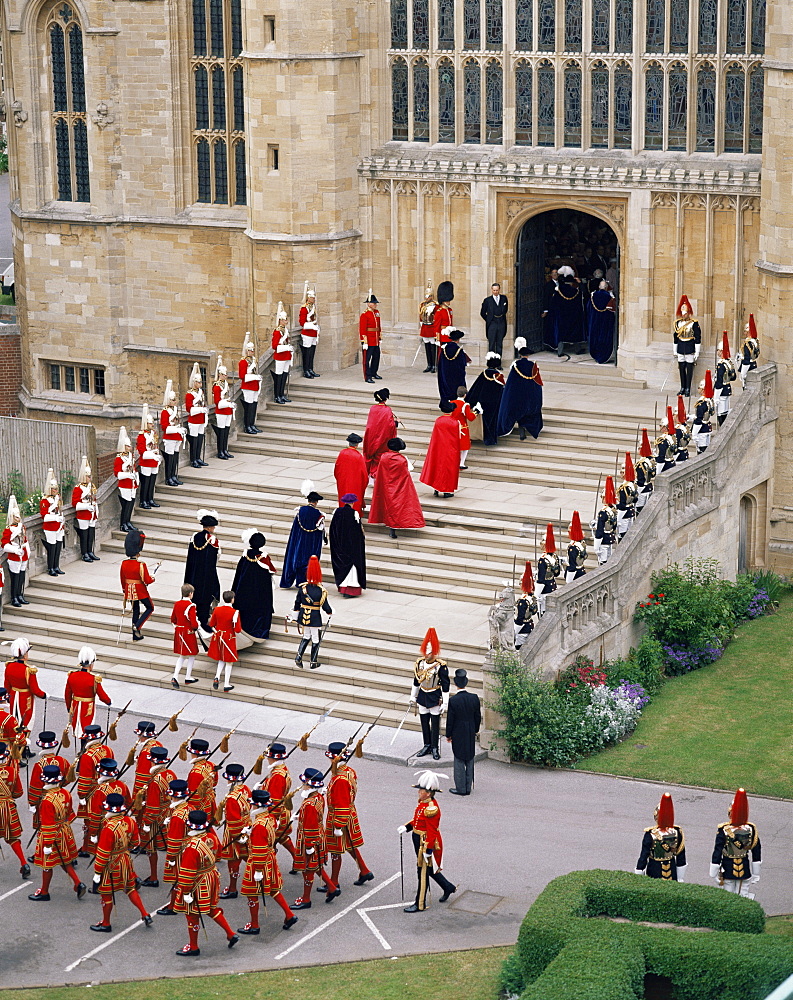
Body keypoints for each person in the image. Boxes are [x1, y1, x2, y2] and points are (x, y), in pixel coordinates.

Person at [174, 809, 239, 956]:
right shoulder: (212, 838)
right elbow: (219, 855)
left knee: (191, 914)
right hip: (211, 876)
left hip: (197, 881)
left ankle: (193, 946)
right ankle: (230, 933)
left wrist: (185, 891)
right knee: (210, 908)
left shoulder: (191, 847)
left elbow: (187, 873)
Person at [237, 788, 298, 934]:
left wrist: (258, 870)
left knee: (252, 893)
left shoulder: (259, 825)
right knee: (272, 889)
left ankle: (254, 924)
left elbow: (259, 849)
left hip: (260, 861)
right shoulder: (268, 818)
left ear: (257, 806)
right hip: (269, 858)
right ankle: (289, 914)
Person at [90, 792, 153, 932]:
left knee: (106, 893)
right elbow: (136, 843)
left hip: (111, 863)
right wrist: (124, 850)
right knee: (130, 888)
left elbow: (103, 853)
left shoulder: (108, 828)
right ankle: (145, 914)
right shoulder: (130, 821)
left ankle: (106, 923)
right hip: (125, 859)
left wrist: (97, 871)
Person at [398, 770, 456, 912]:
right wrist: (407, 827)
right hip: (418, 838)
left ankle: (420, 903)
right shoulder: (423, 804)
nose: (419, 792)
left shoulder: (432, 808)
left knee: (422, 872)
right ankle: (448, 887)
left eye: (421, 790)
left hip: (425, 842)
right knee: (429, 869)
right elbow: (418, 820)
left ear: (428, 793)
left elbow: (432, 830)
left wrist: (428, 850)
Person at [28, 763, 86, 901]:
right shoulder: (65, 793)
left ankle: (44, 892)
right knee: (64, 859)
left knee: (46, 864)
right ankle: (78, 883)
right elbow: (70, 814)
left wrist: (47, 843)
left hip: (51, 833)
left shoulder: (47, 800)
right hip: (64, 830)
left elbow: (48, 825)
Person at [324, 742, 374, 890]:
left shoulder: (340, 779)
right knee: (350, 845)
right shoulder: (348, 771)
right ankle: (364, 870)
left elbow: (341, 802)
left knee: (336, 849)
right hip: (348, 813)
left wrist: (338, 825)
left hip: (339, 816)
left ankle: (334, 882)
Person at [291, 767, 339, 909]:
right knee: (315, 866)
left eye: (304, 783)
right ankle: (332, 887)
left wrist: (309, 846)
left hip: (310, 839)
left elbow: (310, 825)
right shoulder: (317, 797)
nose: (302, 785)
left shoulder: (309, 804)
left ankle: (306, 899)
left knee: (308, 869)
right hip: (318, 836)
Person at [368, 438, 425, 539]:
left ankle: (391, 527)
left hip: (386, 485)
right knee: (398, 506)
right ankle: (395, 526)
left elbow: (381, 470)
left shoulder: (384, 457)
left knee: (388, 506)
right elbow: (404, 475)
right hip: (398, 486)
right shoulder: (401, 460)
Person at [710, 788, 761, 896]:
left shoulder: (723, 829)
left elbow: (718, 851)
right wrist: (756, 873)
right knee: (743, 894)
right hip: (744, 866)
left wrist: (714, 871)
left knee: (728, 894)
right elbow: (756, 852)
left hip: (728, 866)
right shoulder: (751, 829)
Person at [410, 627, 450, 762]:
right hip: (423, 695)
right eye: (426, 652)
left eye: (430, 652)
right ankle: (426, 744)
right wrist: (412, 696)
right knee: (424, 722)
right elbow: (416, 681)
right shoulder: (419, 663)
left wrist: (445, 702)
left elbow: (445, 685)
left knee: (435, 723)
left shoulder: (441, 666)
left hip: (434, 695)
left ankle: (434, 747)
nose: (427, 655)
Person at [258, 742, 298, 871]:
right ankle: (297, 859)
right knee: (282, 838)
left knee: (270, 843)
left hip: (276, 812)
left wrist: (270, 819)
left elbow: (274, 800)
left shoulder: (278, 776)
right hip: (283, 810)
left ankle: (270, 871)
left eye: (268, 757)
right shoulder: (280, 770)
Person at [288, 555, 332, 669]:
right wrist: (330, 612)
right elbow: (325, 605)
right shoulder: (320, 590)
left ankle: (299, 656)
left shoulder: (303, 589)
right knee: (316, 638)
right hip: (314, 617)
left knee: (306, 636)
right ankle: (313, 661)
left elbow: (297, 604)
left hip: (304, 616)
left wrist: (295, 616)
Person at [232, 530, 277, 640]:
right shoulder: (264, 558)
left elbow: (238, 575)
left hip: (244, 590)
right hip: (259, 593)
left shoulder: (244, 556)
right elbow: (268, 576)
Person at [75, 723, 112, 856]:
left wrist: (81, 795)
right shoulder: (108, 749)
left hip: (92, 792)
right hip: (107, 788)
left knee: (90, 821)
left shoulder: (87, 756)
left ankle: (90, 847)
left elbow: (84, 780)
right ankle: (87, 846)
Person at [280, 482, 325, 589]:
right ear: (316, 502)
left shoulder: (300, 512)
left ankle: (294, 581)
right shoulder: (319, 515)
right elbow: (320, 532)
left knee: (297, 559)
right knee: (308, 561)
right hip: (310, 543)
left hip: (299, 541)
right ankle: (306, 580)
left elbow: (295, 529)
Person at [157, 778, 192, 915]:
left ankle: (173, 906)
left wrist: (171, 856)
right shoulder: (189, 807)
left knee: (177, 878)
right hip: (190, 845)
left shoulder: (177, 815)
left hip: (180, 850)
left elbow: (174, 839)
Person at [83, 757, 131, 857]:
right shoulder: (122, 785)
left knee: (104, 852)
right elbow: (129, 804)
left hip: (106, 823)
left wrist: (93, 833)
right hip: (121, 821)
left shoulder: (100, 790)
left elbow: (96, 814)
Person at [497, 340, 543, 441]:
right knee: (527, 411)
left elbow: (511, 383)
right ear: (528, 355)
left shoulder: (516, 365)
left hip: (518, 394)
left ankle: (522, 432)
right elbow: (538, 383)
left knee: (519, 410)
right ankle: (526, 430)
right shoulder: (533, 366)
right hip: (529, 394)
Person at [217, 762, 251, 900]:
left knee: (234, 860)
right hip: (247, 826)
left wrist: (237, 835)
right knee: (247, 857)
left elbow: (233, 820)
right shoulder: (245, 789)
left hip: (235, 832)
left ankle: (232, 888)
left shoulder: (232, 798)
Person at [635, 793, 687, 881]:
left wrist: (639, 871)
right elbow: (681, 857)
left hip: (654, 869)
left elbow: (643, 856)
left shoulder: (650, 834)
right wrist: (680, 878)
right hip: (672, 870)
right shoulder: (677, 832)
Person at [445, 670, 481, 797]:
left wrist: (448, 734)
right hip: (470, 730)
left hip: (458, 731)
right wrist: (475, 729)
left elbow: (450, 720)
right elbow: (478, 717)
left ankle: (460, 788)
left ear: (456, 685)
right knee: (470, 758)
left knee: (459, 759)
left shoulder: (454, 700)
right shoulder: (474, 698)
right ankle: (468, 786)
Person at [184, 509, 220, 631]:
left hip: (193, 571)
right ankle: (203, 621)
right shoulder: (212, 539)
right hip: (206, 573)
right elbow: (216, 557)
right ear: (209, 527)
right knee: (205, 596)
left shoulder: (194, 537)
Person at [120, 528, 158, 641]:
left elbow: (122, 579)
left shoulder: (124, 563)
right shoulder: (141, 564)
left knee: (135, 610)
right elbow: (147, 580)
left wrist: (124, 590)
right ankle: (137, 626)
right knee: (150, 607)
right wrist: (153, 578)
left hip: (129, 590)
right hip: (140, 590)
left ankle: (135, 635)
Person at [64, 645, 110, 735]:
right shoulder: (93, 678)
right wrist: (108, 702)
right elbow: (102, 695)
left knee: (77, 728)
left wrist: (69, 707)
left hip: (75, 705)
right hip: (88, 707)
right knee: (88, 729)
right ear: (91, 664)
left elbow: (67, 694)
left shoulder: (72, 675)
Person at [4, 637, 45, 736]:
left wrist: (9, 696)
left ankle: (16, 741)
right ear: (24, 655)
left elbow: (7, 685)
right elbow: (35, 689)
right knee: (27, 719)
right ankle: (24, 745)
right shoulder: (29, 670)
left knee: (15, 718)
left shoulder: (9, 666)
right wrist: (44, 695)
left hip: (13, 696)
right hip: (26, 697)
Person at [0, 739, 29, 879]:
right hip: (8, 806)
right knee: (12, 837)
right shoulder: (12, 771)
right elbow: (19, 793)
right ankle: (24, 863)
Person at [420, 401, 461, 498]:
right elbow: (457, 438)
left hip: (438, 448)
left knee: (438, 467)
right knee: (448, 469)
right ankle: (446, 490)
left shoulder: (438, 420)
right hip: (450, 450)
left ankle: (436, 488)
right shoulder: (454, 422)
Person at [329, 496, 366, 598]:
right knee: (352, 571)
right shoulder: (354, 514)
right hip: (351, 548)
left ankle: (342, 588)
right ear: (353, 503)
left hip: (339, 546)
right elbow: (356, 533)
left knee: (343, 568)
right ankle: (351, 590)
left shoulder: (337, 512)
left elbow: (333, 529)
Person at [465, 355, 505, 447]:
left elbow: (476, 388)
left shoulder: (483, 374)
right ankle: (490, 439)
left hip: (482, 401)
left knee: (484, 421)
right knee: (492, 422)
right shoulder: (498, 376)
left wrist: (470, 400)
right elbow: (502, 390)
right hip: (494, 402)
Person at [208, 591, 242, 692]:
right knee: (229, 661)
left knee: (221, 658)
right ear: (232, 600)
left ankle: (217, 677)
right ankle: (226, 684)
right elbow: (237, 630)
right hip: (229, 637)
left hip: (218, 636)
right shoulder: (235, 612)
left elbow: (212, 624)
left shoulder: (217, 609)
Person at [363, 389, 398, 480]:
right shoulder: (387, 410)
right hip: (383, 437)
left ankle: (370, 473)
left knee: (372, 455)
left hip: (371, 436)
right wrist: (396, 422)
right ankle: (378, 475)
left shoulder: (373, 408)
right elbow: (389, 425)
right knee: (380, 456)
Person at [550, 266, 585, 356]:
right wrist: (580, 283)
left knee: (561, 335)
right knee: (575, 333)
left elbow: (554, 304)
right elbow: (584, 293)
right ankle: (577, 350)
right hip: (573, 316)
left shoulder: (558, 291)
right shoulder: (576, 291)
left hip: (562, 316)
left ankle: (560, 351)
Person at [2, 495, 29, 608]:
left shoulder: (22, 527)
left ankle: (20, 594)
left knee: (22, 576)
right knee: (15, 577)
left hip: (23, 554)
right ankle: (14, 597)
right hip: (14, 556)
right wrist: (15, 550)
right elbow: (4, 544)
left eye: (19, 517)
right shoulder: (9, 530)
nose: (19, 519)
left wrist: (26, 550)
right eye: (16, 517)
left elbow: (25, 539)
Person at [171, 583, 200, 688]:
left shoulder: (177, 604)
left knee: (182, 655)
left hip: (179, 631)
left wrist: (177, 628)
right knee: (192, 654)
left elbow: (173, 619)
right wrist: (196, 627)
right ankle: (188, 676)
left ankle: (175, 676)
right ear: (190, 593)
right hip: (188, 632)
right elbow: (193, 623)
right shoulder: (191, 606)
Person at [71, 455, 100, 562]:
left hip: (92, 513)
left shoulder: (91, 486)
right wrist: (86, 506)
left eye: (90, 476)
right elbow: (75, 503)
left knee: (91, 533)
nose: (90, 478)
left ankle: (90, 551)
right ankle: (84, 553)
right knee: (84, 534)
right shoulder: (78, 488)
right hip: (83, 514)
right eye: (88, 476)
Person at [673, 295, 701, 398]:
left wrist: (697, 352)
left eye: (686, 313)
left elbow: (697, 337)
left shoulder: (694, 323)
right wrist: (675, 350)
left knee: (689, 369)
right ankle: (683, 387)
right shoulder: (678, 323)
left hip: (689, 347)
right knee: (681, 368)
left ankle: (688, 388)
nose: (684, 315)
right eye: (683, 313)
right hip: (681, 346)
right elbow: (675, 337)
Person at [39, 468, 65, 577]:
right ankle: (50, 568)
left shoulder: (57, 499)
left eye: (56, 488)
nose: (56, 490)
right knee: (52, 547)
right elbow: (44, 516)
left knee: (58, 546)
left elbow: (60, 510)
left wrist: (61, 520)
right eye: (53, 489)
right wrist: (55, 518)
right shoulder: (45, 501)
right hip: (50, 527)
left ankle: (56, 566)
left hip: (59, 526)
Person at [160, 378, 185, 486]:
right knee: (170, 459)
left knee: (175, 458)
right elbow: (165, 427)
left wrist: (180, 430)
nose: (175, 402)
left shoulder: (175, 410)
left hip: (177, 437)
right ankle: (168, 477)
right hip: (170, 438)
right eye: (173, 400)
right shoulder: (165, 412)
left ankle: (173, 475)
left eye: (175, 400)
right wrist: (177, 429)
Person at [136, 405, 162, 509]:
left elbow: (155, 445)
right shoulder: (142, 436)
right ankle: (143, 501)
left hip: (154, 461)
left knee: (152, 481)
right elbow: (142, 451)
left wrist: (157, 455)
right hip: (146, 462)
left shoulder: (153, 433)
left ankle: (150, 499)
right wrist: (153, 455)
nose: (152, 425)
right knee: (146, 482)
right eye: (150, 423)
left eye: (153, 423)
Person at [334, 434, 368, 513]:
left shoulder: (342, 453)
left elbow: (337, 469)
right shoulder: (358, 456)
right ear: (357, 445)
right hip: (355, 483)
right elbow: (364, 474)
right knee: (354, 500)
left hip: (343, 481)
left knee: (343, 497)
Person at [114, 426, 138, 531]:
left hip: (132, 483)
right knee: (126, 504)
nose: (130, 448)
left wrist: (135, 477)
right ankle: (123, 523)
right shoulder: (120, 458)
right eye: (128, 446)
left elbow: (133, 468)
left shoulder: (131, 456)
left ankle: (128, 521)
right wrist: (128, 475)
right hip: (125, 484)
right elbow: (117, 474)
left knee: (131, 503)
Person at [185, 362, 209, 467]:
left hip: (201, 419)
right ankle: (193, 459)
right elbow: (189, 409)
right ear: (194, 383)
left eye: (201, 382)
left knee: (200, 440)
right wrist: (201, 410)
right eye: (199, 382)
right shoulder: (190, 394)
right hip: (194, 420)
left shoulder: (201, 392)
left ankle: (198, 458)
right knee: (194, 441)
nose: (200, 384)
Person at [437, 329, 470, 404]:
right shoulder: (459, 351)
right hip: (456, 376)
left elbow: (440, 364)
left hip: (446, 375)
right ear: (458, 340)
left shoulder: (444, 350)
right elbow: (462, 365)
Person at [186, 738, 217, 815]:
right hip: (209, 802)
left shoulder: (195, 773)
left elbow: (194, 797)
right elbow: (215, 783)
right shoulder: (211, 765)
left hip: (200, 806)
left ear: (194, 754)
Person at [212, 358, 235, 460]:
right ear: (220, 375)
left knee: (226, 431)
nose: (226, 376)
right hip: (221, 411)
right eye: (224, 374)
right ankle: (220, 451)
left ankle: (225, 449)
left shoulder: (225, 384)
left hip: (228, 410)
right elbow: (217, 402)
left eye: (226, 375)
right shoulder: (217, 386)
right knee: (221, 432)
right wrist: (228, 404)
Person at [588, 279, 616, 364]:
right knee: (604, 336)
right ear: (607, 287)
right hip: (606, 322)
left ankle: (596, 355)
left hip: (595, 320)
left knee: (595, 336)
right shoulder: (610, 297)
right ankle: (603, 356)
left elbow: (588, 308)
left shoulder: (593, 296)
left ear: (599, 287)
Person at [270, 301, 294, 405]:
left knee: (284, 376)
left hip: (286, 356)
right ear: (280, 320)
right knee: (279, 376)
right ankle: (277, 396)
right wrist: (286, 347)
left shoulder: (285, 330)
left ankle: (282, 394)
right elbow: (275, 346)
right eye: (285, 320)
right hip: (280, 357)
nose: (286, 321)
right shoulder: (277, 332)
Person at [238, 334, 262, 433]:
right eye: (250, 350)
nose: (252, 352)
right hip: (248, 386)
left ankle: (252, 424)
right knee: (248, 406)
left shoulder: (254, 360)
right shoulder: (243, 362)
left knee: (254, 406)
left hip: (254, 385)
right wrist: (255, 377)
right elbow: (242, 375)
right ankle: (247, 425)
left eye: (253, 350)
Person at [592, 477, 618, 566]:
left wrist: (596, 546)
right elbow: (614, 525)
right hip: (610, 536)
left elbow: (599, 531)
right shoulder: (613, 509)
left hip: (603, 539)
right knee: (608, 558)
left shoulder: (603, 513)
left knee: (603, 562)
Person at [450, 388, 478, 470]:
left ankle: (453, 462)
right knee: (464, 446)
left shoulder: (451, 403)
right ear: (465, 395)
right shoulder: (465, 405)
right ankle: (461, 463)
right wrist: (476, 412)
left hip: (452, 427)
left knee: (455, 446)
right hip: (462, 428)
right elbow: (470, 417)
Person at [479, 282, 509, 357]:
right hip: (492, 323)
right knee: (491, 343)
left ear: (499, 290)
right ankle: (491, 363)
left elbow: (506, 310)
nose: (495, 292)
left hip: (501, 322)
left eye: (497, 290)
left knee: (499, 343)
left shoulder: (504, 298)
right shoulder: (487, 300)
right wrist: (489, 319)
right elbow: (482, 313)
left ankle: (498, 363)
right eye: (494, 290)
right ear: (491, 290)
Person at [537, 524, 561, 614]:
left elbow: (541, 580)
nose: (541, 542)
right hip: (552, 586)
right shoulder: (554, 556)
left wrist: (536, 595)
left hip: (544, 590)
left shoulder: (543, 560)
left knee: (543, 614)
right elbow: (557, 573)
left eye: (543, 540)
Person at [714, 331, 737, 426]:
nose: (718, 352)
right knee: (725, 411)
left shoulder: (721, 364)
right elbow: (733, 377)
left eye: (718, 350)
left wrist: (715, 397)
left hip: (722, 390)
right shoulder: (729, 362)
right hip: (727, 389)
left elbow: (719, 382)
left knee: (721, 413)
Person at [299, 282, 321, 378]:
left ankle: (310, 369)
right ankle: (306, 370)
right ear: (308, 298)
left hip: (313, 333)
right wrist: (312, 325)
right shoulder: (304, 308)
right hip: (307, 333)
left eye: (314, 297)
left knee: (312, 352)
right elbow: (302, 322)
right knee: (307, 353)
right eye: (312, 297)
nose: (314, 299)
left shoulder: (313, 307)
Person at [360, 290, 382, 383]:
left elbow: (378, 326)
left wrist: (379, 337)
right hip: (368, 340)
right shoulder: (365, 314)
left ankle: (374, 372)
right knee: (366, 359)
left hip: (375, 339)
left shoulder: (376, 312)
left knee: (376, 357)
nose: (375, 304)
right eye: (374, 303)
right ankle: (367, 376)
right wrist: (364, 341)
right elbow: (362, 329)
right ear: (369, 304)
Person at [691, 371, 716, 454]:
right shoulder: (709, 401)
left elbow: (699, 420)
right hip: (707, 427)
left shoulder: (701, 403)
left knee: (701, 452)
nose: (698, 390)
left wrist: (694, 433)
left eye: (699, 388)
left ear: (702, 390)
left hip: (701, 430)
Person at [514, 561, 537, 649]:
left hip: (522, 629)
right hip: (529, 624)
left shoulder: (523, 601)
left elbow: (520, 619)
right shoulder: (532, 597)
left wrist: (514, 632)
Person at [431, 282, 455, 366]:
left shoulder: (449, 310)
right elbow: (436, 326)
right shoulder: (439, 312)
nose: (449, 302)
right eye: (447, 300)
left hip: (449, 334)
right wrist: (437, 339)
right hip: (442, 335)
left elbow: (451, 323)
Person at [615, 455, 638, 540]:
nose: (621, 472)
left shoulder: (623, 487)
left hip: (624, 513)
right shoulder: (632, 485)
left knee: (622, 536)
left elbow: (622, 505)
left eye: (623, 469)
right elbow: (635, 499)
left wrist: (615, 506)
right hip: (631, 510)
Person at [418, 281, 438, 373]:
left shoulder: (435, 305)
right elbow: (421, 315)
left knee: (432, 345)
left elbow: (436, 316)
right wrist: (421, 324)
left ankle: (434, 365)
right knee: (427, 345)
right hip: (425, 326)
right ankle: (429, 364)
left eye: (428, 296)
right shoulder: (422, 305)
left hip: (432, 326)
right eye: (426, 296)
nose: (427, 298)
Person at [635, 429, 656, 513]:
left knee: (640, 511)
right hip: (649, 486)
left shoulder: (641, 463)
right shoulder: (650, 461)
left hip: (642, 488)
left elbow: (640, 479)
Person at [737, 314, 759, 387]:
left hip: (748, 367)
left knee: (746, 387)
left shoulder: (748, 343)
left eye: (745, 331)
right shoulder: (755, 341)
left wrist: (743, 373)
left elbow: (747, 359)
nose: (744, 333)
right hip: (754, 364)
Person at [565, 511, 587, 583]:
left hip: (575, 575)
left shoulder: (573, 547)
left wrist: (569, 581)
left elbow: (572, 567)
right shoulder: (581, 543)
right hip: (581, 570)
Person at [674, 396, 691, 464]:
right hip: (685, 452)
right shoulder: (686, 426)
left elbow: (676, 443)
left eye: (674, 416)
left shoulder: (678, 430)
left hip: (679, 455)